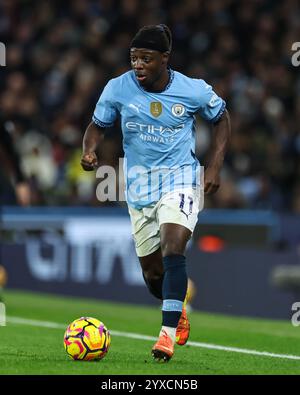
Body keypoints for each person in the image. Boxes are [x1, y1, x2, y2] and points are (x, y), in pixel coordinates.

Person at [81, 24, 231, 362]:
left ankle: (165, 337)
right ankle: (178, 309)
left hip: (181, 180)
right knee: (152, 276)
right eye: (134, 59)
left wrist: (215, 165)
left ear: (165, 59)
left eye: (146, 59)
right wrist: (90, 150)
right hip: (139, 189)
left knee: (173, 246)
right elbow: (97, 125)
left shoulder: (192, 90)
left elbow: (222, 118)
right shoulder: (117, 88)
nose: (138, 66)